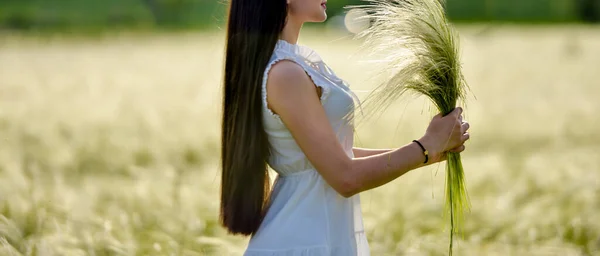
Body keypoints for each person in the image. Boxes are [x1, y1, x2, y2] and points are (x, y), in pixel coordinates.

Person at [219, 0, 471, 255]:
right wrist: (425, 147)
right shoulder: (285, 73)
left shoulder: (289, 65)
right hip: (303, 241)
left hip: (315, 233)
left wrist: (430, 150)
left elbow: (335, 156)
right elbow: (344, 176)